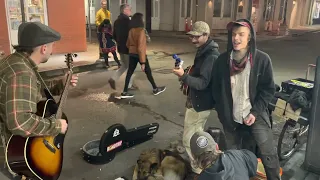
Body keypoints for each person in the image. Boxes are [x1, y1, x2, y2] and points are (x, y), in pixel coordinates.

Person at [0, 22, 78, 179]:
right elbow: (20, 123)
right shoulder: (21, 73)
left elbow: (31, 90)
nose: (52, 49)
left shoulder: (16, 61)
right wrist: (56, 126)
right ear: (44, 48)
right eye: (52, 46)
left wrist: (59, 84)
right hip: (10, 147)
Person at [211, 19, 281, 179]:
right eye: (234, 34)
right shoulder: (222, 62)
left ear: (250, 37)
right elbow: (215, 89)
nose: (236, 38)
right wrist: (222, 113)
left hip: (255, 115)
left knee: (268, 153)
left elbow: (268, 89)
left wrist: (255, 112)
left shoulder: (262, 60)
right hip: (231, 118)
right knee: (234, 157)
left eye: (241, 34)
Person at [172, 21, 220, 174]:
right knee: (198, 135)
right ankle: (204, 164)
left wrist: (184, 76)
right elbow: (200, 76)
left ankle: (198, 169)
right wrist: (187, 72)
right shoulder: (204, 50)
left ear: (206, 35)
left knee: (189, 140)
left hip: (199, 104)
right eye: (191, 37)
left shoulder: (211, 55)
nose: (193, 40)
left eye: (197, 37)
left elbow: (203, 83)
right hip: (197, 101)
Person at [116, 13, 166, 99]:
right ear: (140, 20)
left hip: (132, 54)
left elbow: (128, 44)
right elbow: (141, 48)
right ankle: (155, 89)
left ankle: (124, 92)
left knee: (129, 72)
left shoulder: (131, 30)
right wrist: (142, 62)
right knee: (148, 72)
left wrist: (132, 49)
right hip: (139, 55)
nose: (143, 20)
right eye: (142, 19)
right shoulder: (141, 31)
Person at [190, 131, 258, 179]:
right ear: (217, 147)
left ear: (194, 157)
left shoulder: (203, 178)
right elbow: (253, 160)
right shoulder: (237, 155)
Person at [108, 4, 137, 90]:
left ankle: (113, 78)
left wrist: (119, 43)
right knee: (131, 67)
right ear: (124, 10)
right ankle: (129, 85)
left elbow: (114, 35)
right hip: (128, 48)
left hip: (120, 48)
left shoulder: (116, 21)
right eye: (129, 10)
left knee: (124, 66)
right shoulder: (129, 22)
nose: (130, 11)